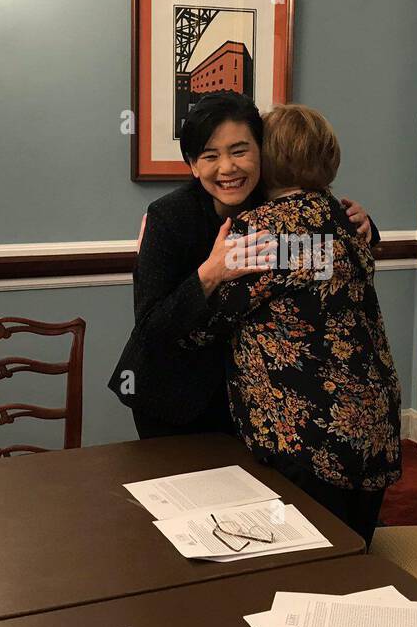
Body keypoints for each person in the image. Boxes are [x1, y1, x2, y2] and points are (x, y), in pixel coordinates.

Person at [185, 104, 402, 544]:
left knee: (306, 561)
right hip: (372, 420)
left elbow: (205, 325)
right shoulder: (346, 217)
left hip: (307, 433)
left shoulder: (261, 229)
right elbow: (315, 267)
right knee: (354, 548)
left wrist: (199, 282)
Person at [107, 90, 376, 438]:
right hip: (172, 399)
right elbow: (151, 328)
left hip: (247, 398)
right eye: (209, 156)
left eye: (239, 150)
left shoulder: (272, 204)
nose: (227, 168)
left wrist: (368, 226)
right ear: (193, 165)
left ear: (261, 152)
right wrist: (210, 272)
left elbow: (318, 250)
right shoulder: (169, 217)